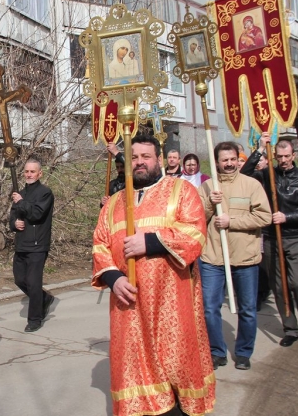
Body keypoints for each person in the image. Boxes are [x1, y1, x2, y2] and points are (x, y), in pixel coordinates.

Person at [92, 134, 215, 416]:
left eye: (146, 157)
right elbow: (100, 243)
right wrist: (113, 278)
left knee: (174, 359)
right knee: (133, 363)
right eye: (134, 157)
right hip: (128, 303)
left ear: (158, 160)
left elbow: (194, 233)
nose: (139, 162)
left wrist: (149, 242)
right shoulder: (114, 202)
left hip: (171, 300)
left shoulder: (181, 191)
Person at [198, 142, 272, 371]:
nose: (229, 164)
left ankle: (243, 352)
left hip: (244, 257)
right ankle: (217, 351)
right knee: (209, 308)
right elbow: (198, 218)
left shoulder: (252, 185)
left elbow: (264, 217)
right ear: (217, 162)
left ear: (237, 160)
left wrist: (233, 222)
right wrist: (211, 203)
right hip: (213, 257)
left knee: (247, 309)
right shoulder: (209, 186)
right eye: (224, 160)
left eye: (232, 159)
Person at [241, 133, 298, 347]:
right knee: (279, 286)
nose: (283, 160)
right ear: (274, 156)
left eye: (287, 156)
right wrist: (259, 149)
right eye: (279, 156)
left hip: (295, 238)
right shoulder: (268, 175)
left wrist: (287, 217)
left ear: (293, 155)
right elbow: (244, 175)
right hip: (271, 239)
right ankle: (290, 329)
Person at [10, 159, 55, 332]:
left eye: (32, 171)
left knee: (33, 282)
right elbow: (12, 216)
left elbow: (37, 214)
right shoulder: (20, 193)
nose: (29, 174)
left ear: (39, 173)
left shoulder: (45, 193)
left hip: (38, 244)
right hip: (22, 243)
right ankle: (43, 298)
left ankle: (35, 319)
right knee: (20, 279)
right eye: (27, 171)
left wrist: (21, 202)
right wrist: (14, 224)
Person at [254, 151, 271, 310]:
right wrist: (258, 150)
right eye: (256, 160)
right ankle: (259, 294)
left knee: (267, 264)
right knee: (259, 262)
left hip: (271, 225)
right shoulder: (253, 177)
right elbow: (245, 171)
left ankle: (266, 288)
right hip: (256, 227)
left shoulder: (272, 176)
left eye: (261, 159)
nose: (258, 162)